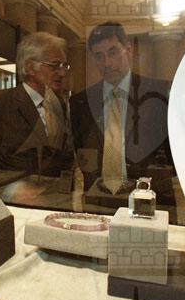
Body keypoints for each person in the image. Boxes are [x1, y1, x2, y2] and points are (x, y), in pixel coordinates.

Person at [70, 22, 172, 194]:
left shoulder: (159, 93)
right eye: (99, 56)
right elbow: (83, 154)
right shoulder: (80, 103)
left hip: (149, 198)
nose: (107, 63)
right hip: (97, 198)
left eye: (113, 52)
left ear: (128, 50)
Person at [0, 32, 73, 179]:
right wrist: (14, 188)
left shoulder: (58, 105)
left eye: (64, 66)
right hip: (8, 193)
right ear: (30, 67)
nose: (62, 73)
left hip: (55, 193)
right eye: (54, 65)